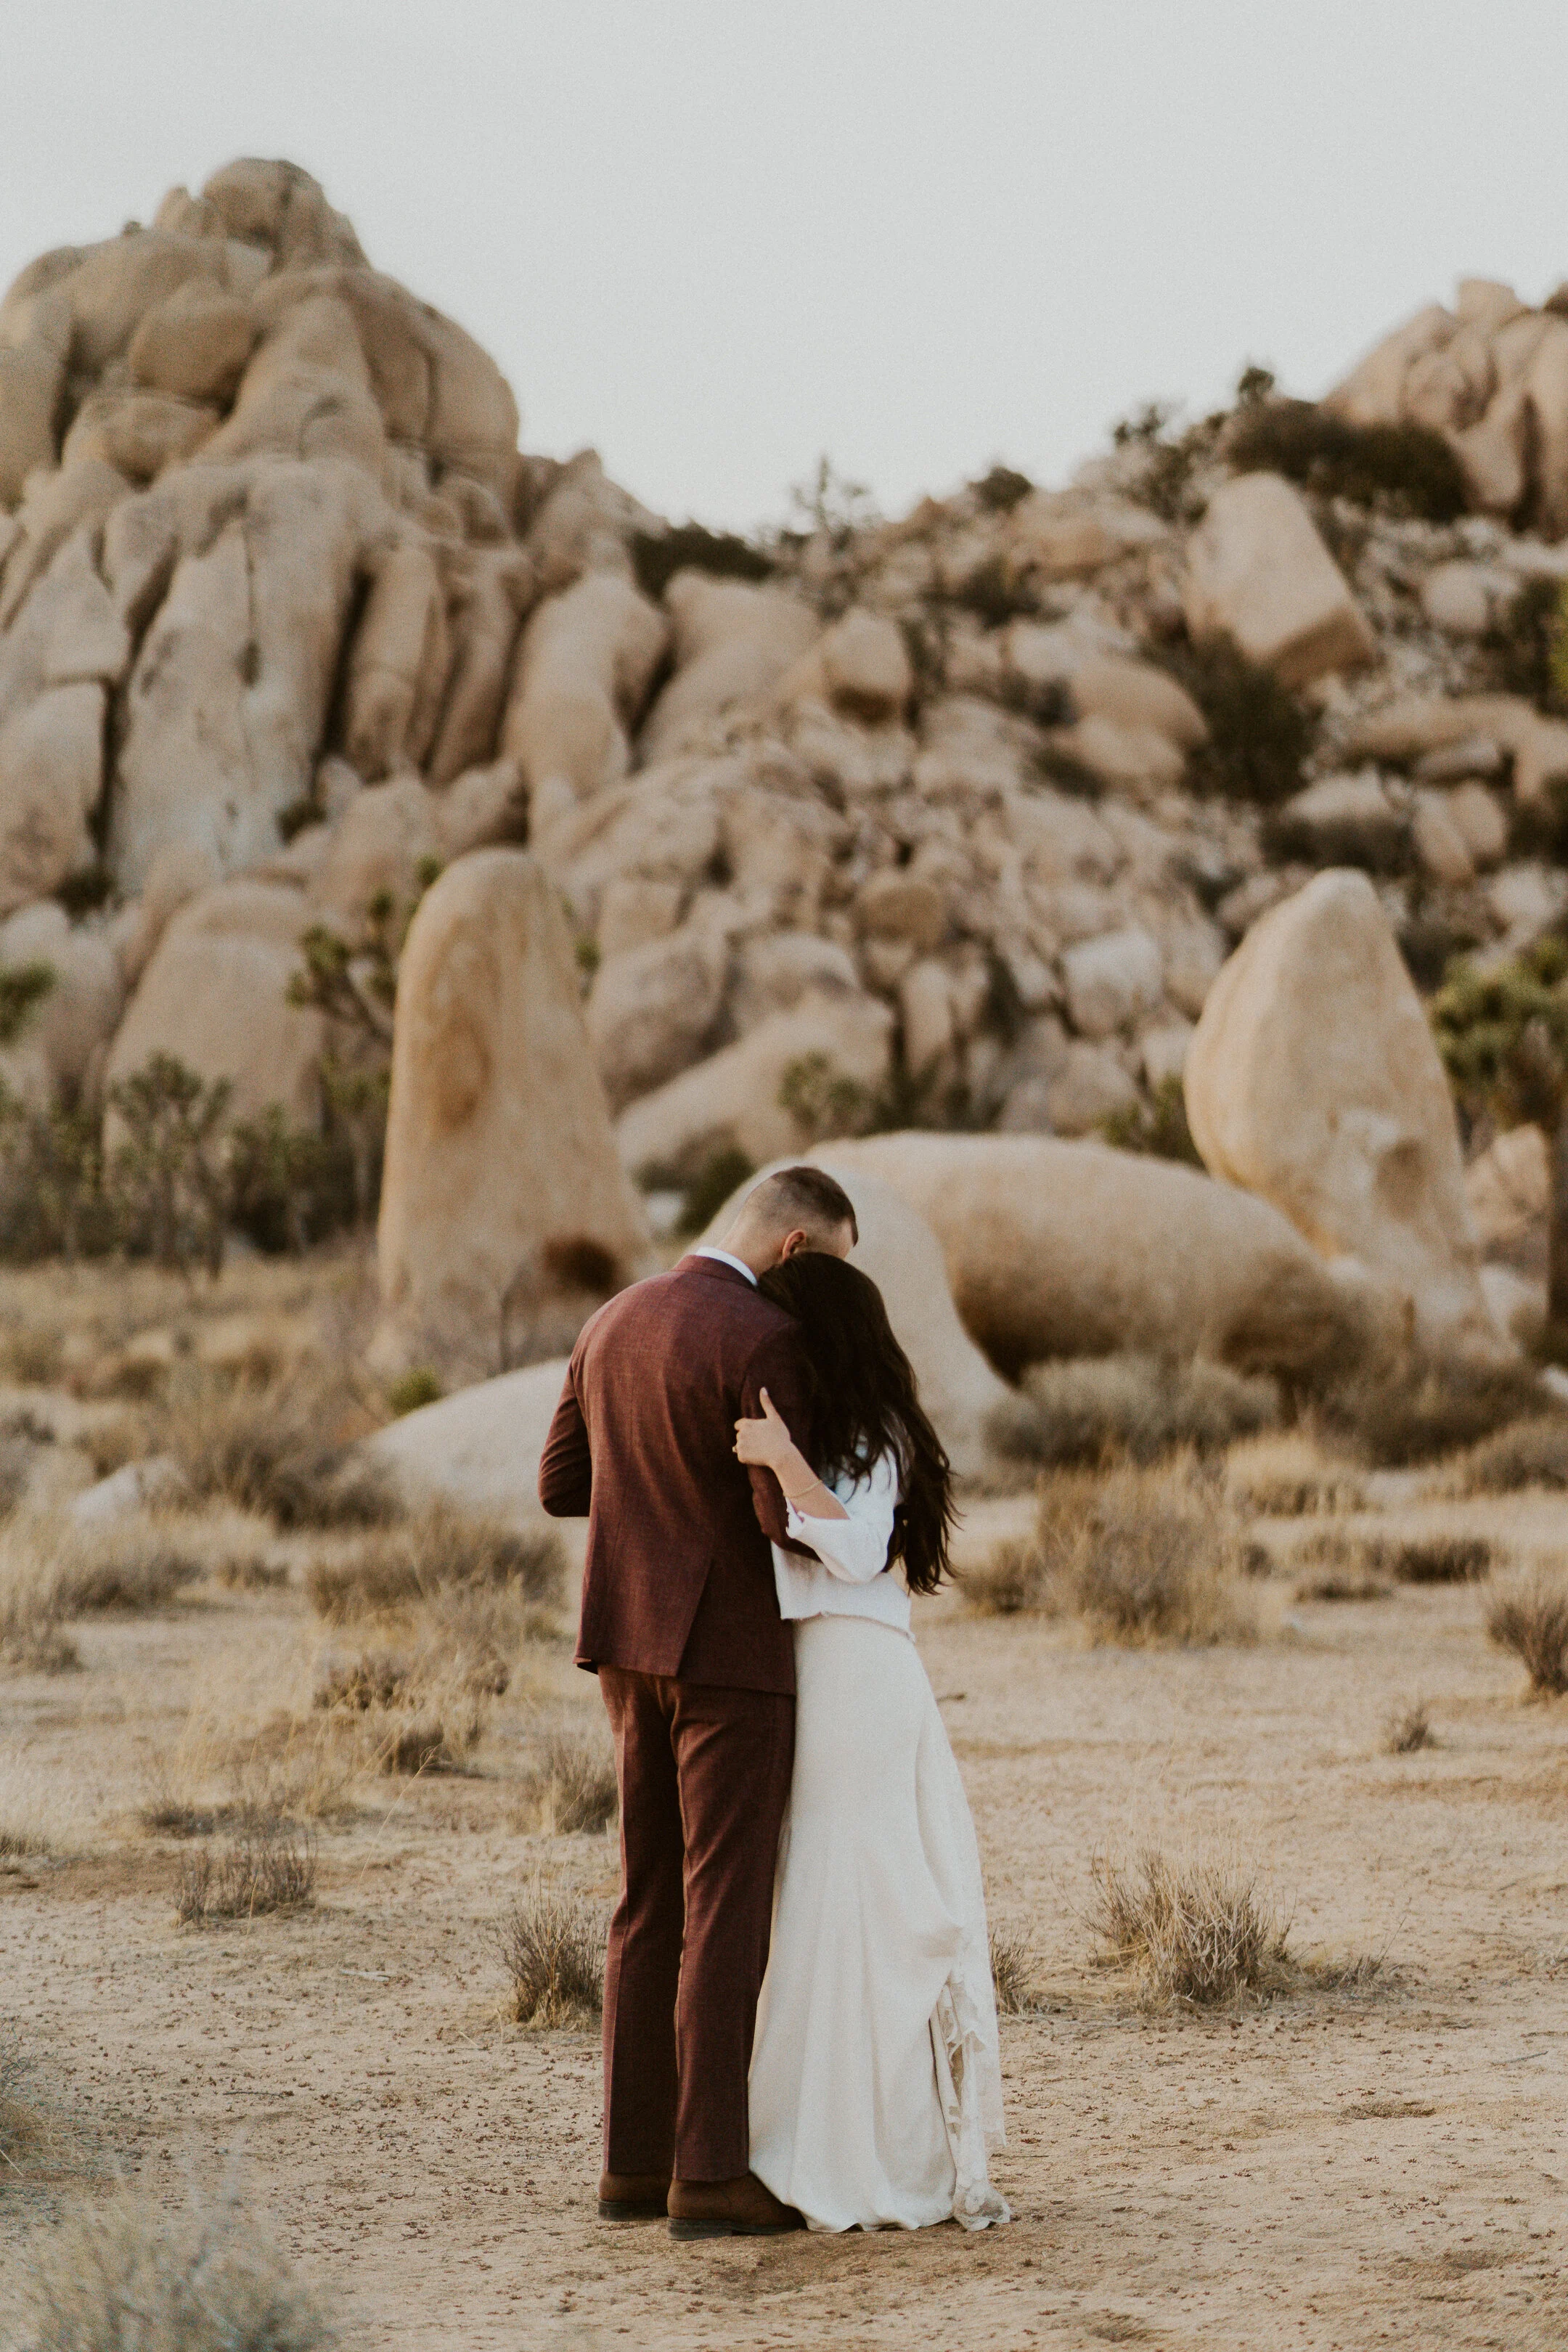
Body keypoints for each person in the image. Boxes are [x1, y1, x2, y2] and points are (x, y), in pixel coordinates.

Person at [537, 1164, 858, 2241]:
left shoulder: (611, 1319)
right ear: (796, 1250)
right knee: (724, 1906)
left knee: (647, 1900)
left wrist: (650, 1504)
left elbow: (560, 1486)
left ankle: (631, 2167)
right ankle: (710, 2174)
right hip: (728, 1655)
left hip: (626, 1647)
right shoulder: (763, 1339)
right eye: (833, 1271)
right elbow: (780, 1514)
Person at [737, 1251, 1010, 2232]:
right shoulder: (836, 1428)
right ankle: (817, 2140)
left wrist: (780, 1458)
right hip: (823, 1670)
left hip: (861, 1671)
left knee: (869, 1900)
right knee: (820, 1898)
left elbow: (853, 1547)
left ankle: (884, 2158)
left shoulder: (874, 1436)